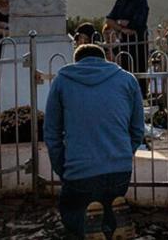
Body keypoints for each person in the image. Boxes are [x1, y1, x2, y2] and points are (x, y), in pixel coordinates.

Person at [44, 44, 144, 239]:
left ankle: (86, 227)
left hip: (80, 172)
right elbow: (137, 130)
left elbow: (52, 133)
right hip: (120, 172)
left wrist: (62, 169)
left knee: (70, 211)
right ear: (105, 59)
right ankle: (112, 223)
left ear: (76, 61)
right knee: (106, 206)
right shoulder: (127, 80)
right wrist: (123, 154)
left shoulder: (63, 81)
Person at [105, 0, 150, 77]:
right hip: (122, 44)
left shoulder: (141, 2)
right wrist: (122, 28)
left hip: (138, 45)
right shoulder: (120, 2)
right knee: (124, 74)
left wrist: (119, 22)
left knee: (139, 75)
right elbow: (109, 20)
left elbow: (137, 24)